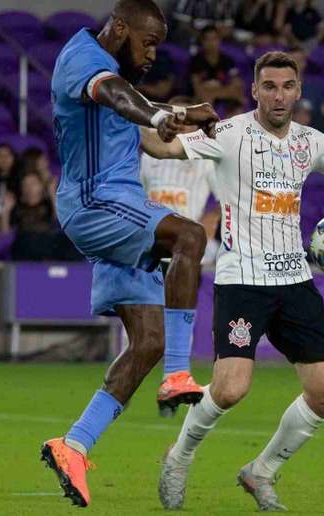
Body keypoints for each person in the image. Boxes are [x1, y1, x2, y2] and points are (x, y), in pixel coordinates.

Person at [139, 50, 324, 512]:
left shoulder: (310, 142)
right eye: (269, 86)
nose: (278, 95)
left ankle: (261, 472)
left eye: (287, 87)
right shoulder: (228, 133)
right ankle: (179, 457)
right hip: (242, 279)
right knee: (231, 388)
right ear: (255, 90)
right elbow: (161, 146)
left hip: (294, 277)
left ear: (298, 91)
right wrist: (129, 116)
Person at [39, 0, 220, 508]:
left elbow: (157, 144)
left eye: (158, 44)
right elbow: (115, 96)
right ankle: (180, 375)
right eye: (147, 41)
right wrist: (162, 111)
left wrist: (198, 125)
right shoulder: (82, 60)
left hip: (118, 209)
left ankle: (73, 444)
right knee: (190, 237)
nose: (152, 52)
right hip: (97, 204)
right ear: (119, 28)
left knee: (147, 341)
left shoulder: (120, 78)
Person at [139, 95, 221, 417]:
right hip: (149, 243)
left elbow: (222, 199)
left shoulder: (204, 159)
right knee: (146, 315)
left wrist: (207, 229)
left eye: (182, 120)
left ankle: (175, 378)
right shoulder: (149, 156)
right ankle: (141, 376)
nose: (176, 125)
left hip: (185, 250)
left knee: (180, 313)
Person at [1, 172, 60, 261]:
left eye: (33, 184)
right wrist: (6, 211)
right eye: (26, 184)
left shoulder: (48, 204)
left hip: (46, 249)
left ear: (41, 186)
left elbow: (59, 221)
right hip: (24, 250)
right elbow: (5, 233)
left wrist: (52, 194)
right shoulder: (17, 207)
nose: (29, 188)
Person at [189, 24, 246, 107]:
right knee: (206, 99)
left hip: (223, 94)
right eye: (207, 39)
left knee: (239, 98)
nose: (211, 43)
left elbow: (236, 84)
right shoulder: (196, 60)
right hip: (204, 98)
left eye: (214, 39)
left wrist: (215, 93)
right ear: (202, 41)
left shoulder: (227, 60)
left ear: (219, 40)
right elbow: (197, 89)